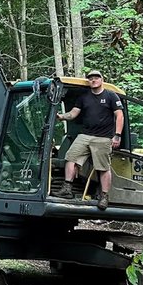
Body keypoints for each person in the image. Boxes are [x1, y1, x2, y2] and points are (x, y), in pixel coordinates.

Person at [55, 70, 124, 210]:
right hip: (85, 135)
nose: (93, 80)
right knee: (71, 157)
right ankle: (67, 188)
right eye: (90, 78)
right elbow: (74, 113)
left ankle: (104, 196)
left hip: (103, 138)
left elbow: (119, 116)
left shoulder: (110, 95)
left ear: (101, 79)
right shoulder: (84, 97)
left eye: (96, 78)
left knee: (103, 167)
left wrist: (117, 135)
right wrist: (62, 117)